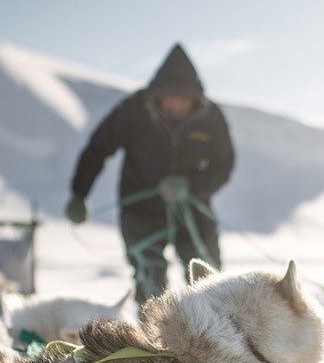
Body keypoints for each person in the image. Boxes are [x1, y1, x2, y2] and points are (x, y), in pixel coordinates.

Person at [65, 44, 235, 304]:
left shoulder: (210, 117)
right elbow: (98, 149)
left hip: (192, 210)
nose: (177, 104)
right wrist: (80, 193)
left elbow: (224, 163)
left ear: (194, 98)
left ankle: (214, 328)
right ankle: (153, 329)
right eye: (171, 97)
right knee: (150, 284)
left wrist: (192, 186)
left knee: (209, 281)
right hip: (141, 212)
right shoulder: (133, 112)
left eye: (183, 98)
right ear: (158, 94)